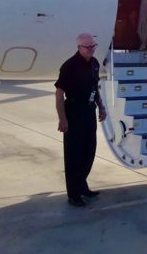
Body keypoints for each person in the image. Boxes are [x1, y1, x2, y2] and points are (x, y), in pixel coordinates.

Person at [55, 33, 107, 207]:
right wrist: (62, 119)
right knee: (73, 155)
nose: (91, 49)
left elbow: (95, 88)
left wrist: (102, 106)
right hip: (74, 113)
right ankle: (73, 194)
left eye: (94, 46)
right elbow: (59, 94)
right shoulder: (69, 66)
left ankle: (82, 185)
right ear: (79, 47)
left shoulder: (94, 63)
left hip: (89, 111)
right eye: (88, 47)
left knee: (89, 150)